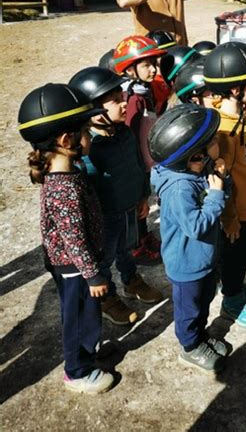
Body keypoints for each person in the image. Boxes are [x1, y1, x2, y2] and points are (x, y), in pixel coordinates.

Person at [17, 83, 114, 394]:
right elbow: (74, 239)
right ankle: (77, 371)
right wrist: (93, 273)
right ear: (66, 139)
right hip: (74, 267)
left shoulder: (68, 172)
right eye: (85, 130)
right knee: (78, 319)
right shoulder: (64, 188)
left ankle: (90, 351)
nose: (90, 136)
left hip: (77, 265)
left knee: (88, 315)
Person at [69, 66, 163, 326]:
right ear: (93, 110)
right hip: (105, 216)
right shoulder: (87, 147)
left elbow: (137, 165)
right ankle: (107, 297)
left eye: (122, 99)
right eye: (116, 102)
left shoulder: (123, 132)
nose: (124, 105)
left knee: (127, 248)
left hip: (130, 206)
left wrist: (143, 195)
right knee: (105, 256)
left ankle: (131, 281)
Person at [149, 104, 229, 373]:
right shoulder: (180, 187)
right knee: (189, 310)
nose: (218, 142)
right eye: (212, 142)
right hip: (187, 266)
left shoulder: (193, 172)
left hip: (202, 259)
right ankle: (190, 346)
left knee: (203, 302)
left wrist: (219, 180)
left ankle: (200, 335)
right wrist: (217, 194)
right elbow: (195, 226)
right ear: (195, 156)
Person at [203, 42, 246, 328]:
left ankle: (236, 287)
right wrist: (230, 217)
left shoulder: (242, 112)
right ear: (235, 89)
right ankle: (232, 300)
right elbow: (222, 179)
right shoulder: (224, 130)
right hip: (238, 213)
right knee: (236, 256)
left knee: (241, 255)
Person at [113, 35, 167, 260]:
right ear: (130, 69)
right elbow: (130, 132)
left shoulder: (144, 92)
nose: (154, 69)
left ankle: (143, 236)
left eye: (154, 64)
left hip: (145, 158)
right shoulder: (133, 98)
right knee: (138, 203)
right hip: (138, 160)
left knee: (143, 202)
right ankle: (136, 246)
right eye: (147, 65)